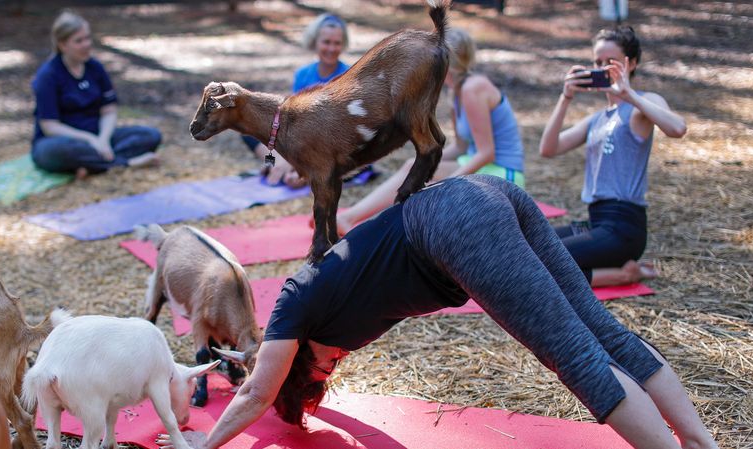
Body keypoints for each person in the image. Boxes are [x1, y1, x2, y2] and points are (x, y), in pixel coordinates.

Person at [157, 175, 718, 449]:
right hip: (485, 196)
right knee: (603, 334)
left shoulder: (291, 307)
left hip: (454, 225)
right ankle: (701, 444)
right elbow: (317, 404)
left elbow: (255, 392)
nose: (333, 372)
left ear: (300, 364)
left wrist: (200, 446)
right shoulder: (326, 323)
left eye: (318, 377)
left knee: (575, 353)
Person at [336, 28, 525, 235]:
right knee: (414, 166)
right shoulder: (457, 92)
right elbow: (462, 146)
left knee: (425, 182)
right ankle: (350, 218)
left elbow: (486, 152)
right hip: (483, 167)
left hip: (505, 175)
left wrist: (446, 182)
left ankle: (359, 223)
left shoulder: (474, 88)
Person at [539, 26, 687, 287]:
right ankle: (615, 268)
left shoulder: (643, 102)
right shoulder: (596, 119)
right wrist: (566, 97)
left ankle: (623, 275)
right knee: (529, 246)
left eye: (611, 62)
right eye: (597, 62)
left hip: (623, 227)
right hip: (596, 223)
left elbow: (677, 128)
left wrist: (627, 93)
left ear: (632, 64)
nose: (602, 68)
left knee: (545, 262)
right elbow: (548, 149)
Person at [31, 11, 161, 179]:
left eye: (87, 38)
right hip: (64, 141)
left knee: (151, 136)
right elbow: (50, 127)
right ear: (63, 45)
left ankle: (90, 166)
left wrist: (103, 139)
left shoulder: (95, 68)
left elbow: (109, 110)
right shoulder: (48, 75)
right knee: (52, 152)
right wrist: (91, 140)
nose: (86, 44)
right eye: (79, 41)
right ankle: (126, 163)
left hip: (99, 135)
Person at [242, 13, 352, 188]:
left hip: (329, 143)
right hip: (301, 138)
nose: (331, 48)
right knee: (250, 131)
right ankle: (282, 164)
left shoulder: (349, 76)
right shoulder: (303, 74)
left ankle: (293, 169)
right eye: (326, 42)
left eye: (337, 43)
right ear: (315, 42)